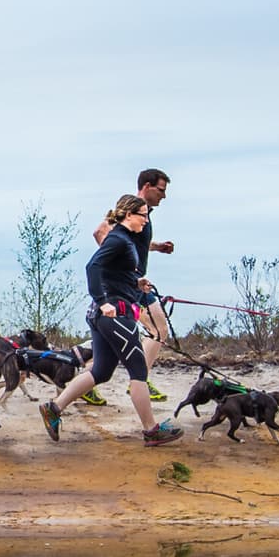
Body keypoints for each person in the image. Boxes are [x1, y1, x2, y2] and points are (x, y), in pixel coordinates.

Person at [38, 195, 184, 446]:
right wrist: (103, 301)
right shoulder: (119, 239)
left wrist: (136, 282)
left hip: (105, 315)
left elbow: (112, 272)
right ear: (128, 215)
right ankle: (151, 430)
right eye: (143, 215)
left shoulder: (125, 240)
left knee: (101, 371)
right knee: (138, 371)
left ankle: (54, 408)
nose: (146, 220)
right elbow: (92, 267)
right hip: (114, 315)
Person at [82, 169, 175, 405]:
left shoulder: (143, 217)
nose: (164, 196)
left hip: (134, 284)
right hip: (126, 286)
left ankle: (87, 380)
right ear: (147, 186)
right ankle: (140, 379)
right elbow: (100, 232)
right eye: (161, 190)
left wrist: (157, 247)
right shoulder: (130, 210)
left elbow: (132, 242)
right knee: (159, 329)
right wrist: (116, 264)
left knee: (114, 349)